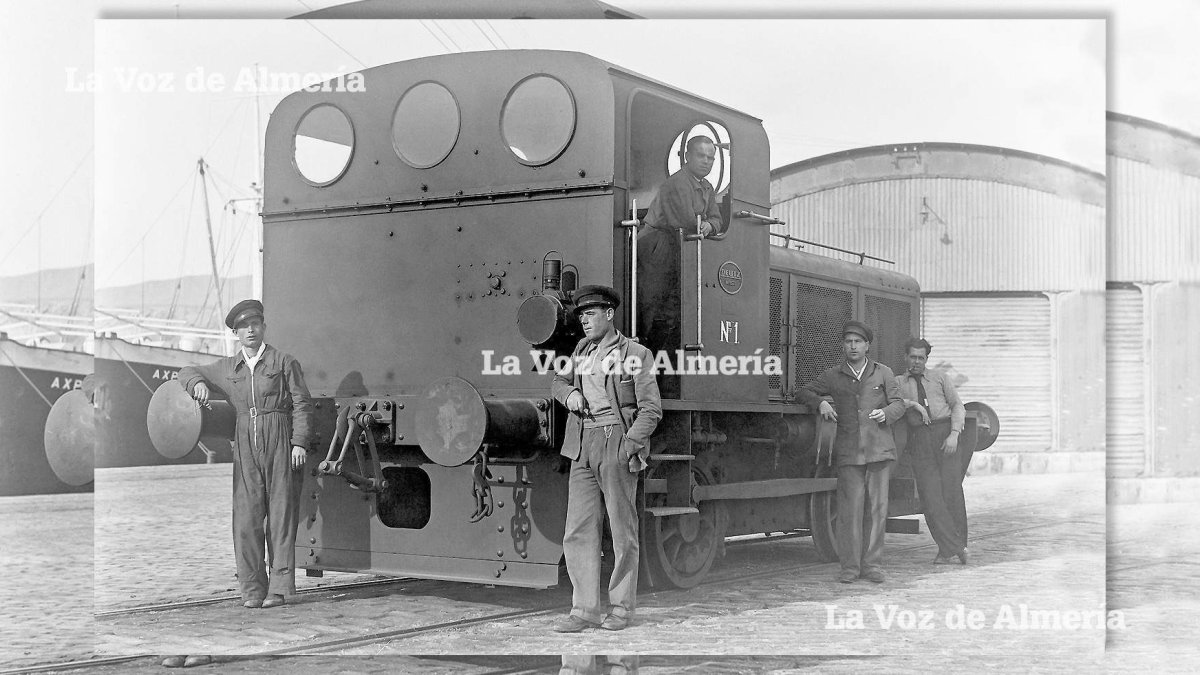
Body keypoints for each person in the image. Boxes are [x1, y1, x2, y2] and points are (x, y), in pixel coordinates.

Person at [179, 299, 313, 609]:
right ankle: (253, 589)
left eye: (255, 324)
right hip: (245, 444)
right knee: (246, 518)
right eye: (243, 326)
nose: (250, 330)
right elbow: (186, 371)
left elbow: (303, 404)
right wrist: (197, 383)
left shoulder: (284, 362)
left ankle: (280, 589)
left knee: (280, 517)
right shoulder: (228, 367)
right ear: (236, 334)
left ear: (264, 328)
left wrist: (300, 443)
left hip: (279, 435)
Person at [550, 285, 662, 632]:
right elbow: (557, 382)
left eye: (591, 315)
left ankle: (622, 609)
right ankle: (584, 610)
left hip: (616, 440)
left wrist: (628, 446)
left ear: (609, 315)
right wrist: (569, 396)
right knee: (579, 530)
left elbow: (651, 410)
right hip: (582, 442)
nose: (584, 322)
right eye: (581, 316)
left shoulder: (637, 354)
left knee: (621, 530)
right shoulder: (581, 350)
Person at [796, 321, 906, 584]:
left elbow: (899, 404)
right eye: (848, 342)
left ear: (867, 345)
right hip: (849, 452)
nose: (853, 346)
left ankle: (873, 566)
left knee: (877, 511)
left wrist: (886, 413)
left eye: (858, 342)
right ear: (843, 346)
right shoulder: (834, 375)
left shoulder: (883, 373)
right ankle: (850, 567)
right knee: (849, 512)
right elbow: (803, 391)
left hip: (879, 451)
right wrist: (820, 402)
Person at [636, 135, 724, 365]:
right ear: (687, 156)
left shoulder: (707, 187)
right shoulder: (676, 183)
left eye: (711, 157)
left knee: (671, 310)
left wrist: (709, 225)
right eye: (701, 155)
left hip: (678, 246)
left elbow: (716, 219)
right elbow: (686, 220)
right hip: (656, 248)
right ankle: (645, 364)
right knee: (653, 308)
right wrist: (704, 225)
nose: (707, 161)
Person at [895, 337, 969, 565]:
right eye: (913, 357)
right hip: (920, 438)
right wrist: (913, 404)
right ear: (905, 357)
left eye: (921, 357)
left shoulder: (940, 378)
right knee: (930, 497)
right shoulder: (898, 382)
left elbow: (958, 406)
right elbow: (890, 403)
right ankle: (951, 547)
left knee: (952, 493)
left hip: (945, 435)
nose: (916, 361)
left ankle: (957, 545)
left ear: (926, 359)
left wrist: (954, 434)